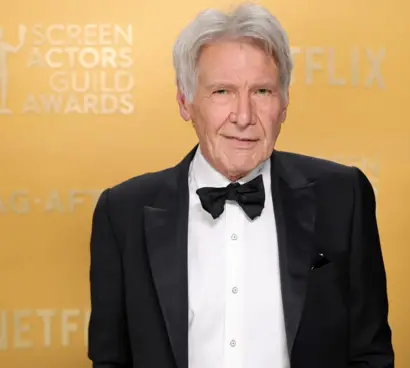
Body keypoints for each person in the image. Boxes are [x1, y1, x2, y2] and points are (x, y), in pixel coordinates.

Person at [87, 3, 394, 368]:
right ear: (185, 102)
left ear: (284, 102)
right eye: (222, 92)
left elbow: (369, 353)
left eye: (262, 92)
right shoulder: (122, 214)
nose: (244, 117)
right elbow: (110, 360)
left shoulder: (344, 198)